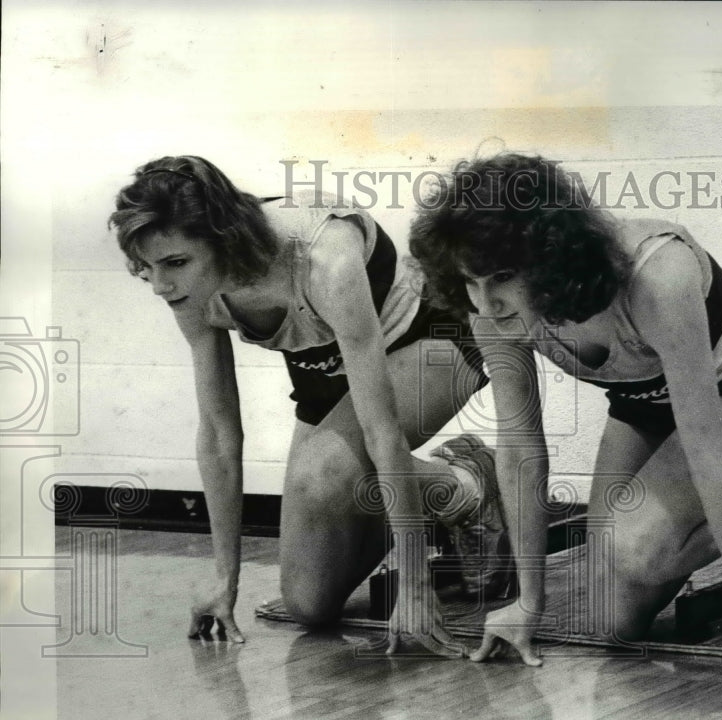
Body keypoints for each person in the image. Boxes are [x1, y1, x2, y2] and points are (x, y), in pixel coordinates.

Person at [409, 152, 722, 692]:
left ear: (552, 255)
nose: (486, 302)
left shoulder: (657, 274)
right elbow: (520, 449)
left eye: (502, 277)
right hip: (646, 400)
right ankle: (709, 513)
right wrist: (528, 602)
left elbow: (705, 446)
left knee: (634, 546)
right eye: (470, 281)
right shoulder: (489, 310)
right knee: (613, 620)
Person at [109, 155, 503, 656]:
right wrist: (223, 582)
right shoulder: (189, 290)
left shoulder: (323, 255)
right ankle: (428, 502)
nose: (161, 285)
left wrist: (415, 588)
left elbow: (383, 432)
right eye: (149, 268)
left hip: (430, 340)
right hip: (328, 371)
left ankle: (468, 485)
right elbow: (218, 433)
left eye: (176, 264)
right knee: (308, 604)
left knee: (323, 473)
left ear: (225, 240)